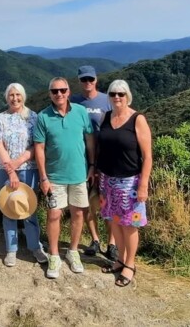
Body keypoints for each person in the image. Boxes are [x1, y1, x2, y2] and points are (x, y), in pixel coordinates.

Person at [33, 77, 96, 279]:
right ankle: (53, 255)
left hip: (79, 174)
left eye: (62, 90)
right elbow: (39, 149)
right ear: (50, 93)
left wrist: (93, 165)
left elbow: (89, 140)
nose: (59, 94)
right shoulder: (43, 117)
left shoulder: (80, 112)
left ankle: (73, 251)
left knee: (78, 214)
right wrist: (43, 177)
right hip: (54, 177)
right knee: (54, 215)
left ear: (68, 91)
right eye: (54, 91)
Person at [96, 80, 153, 288]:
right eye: (113, 94)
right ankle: (119, 259)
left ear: (127, 95)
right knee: (116, 222)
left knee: (130, 225)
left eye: (121, 94)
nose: (117, 97)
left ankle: (130, 264)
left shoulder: (137, 119)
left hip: (130, 182)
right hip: (108, 181)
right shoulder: (106, 117)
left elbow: (147, 157)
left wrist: (143, 185)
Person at [0, 83, 48, 267]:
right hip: (4, 169)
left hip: (28, 168)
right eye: (11, 95)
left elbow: (37, 145)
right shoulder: (0, 118)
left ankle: (35, 246)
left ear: (23, 96)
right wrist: (11, 170)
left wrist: (18, 162)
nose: (14, 98)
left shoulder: (33, 117)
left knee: (29, 208)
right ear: (6, 97)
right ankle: (11, 249)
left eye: (18, 95)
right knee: (9, 207)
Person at [69, 65, 118, 262]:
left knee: (108, 203)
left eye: (91, 79)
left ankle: (112, 243)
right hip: (82, 160)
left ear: (96, 80)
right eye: (84, 80)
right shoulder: (73, 101)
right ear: (79, 81)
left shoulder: (107, 100)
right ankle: (95, 240)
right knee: (87, 202)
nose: (87, 83)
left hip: (106, 159)